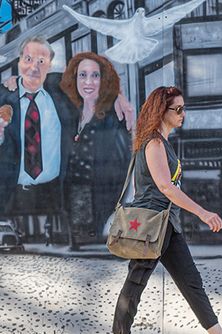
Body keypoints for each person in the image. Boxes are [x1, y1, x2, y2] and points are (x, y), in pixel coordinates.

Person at [107, 86, 222, 334]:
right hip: (150, 227)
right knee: (135, 282)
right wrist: (202, 212)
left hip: (166, 225)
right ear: (162, 111)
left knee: (191, 282)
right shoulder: (153, 143)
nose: (183, 114)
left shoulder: (162, 142)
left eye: (183, 108)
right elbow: (165, 186)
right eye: (178, 109)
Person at [0, 36, 134, 241]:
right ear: (19, 61)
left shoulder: (59, 90)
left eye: (41, 61)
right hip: (13, 194)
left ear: (50, 66)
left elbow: (94, 82)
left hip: (56, 192)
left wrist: (119, 95)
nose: (34, 67)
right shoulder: (4, 95)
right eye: (28, 59)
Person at [59, 52, 130, 249]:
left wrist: (118, 96)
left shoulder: (113, 115)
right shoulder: (71, 111)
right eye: (82, 75)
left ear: (104, 80)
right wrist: (15, 79)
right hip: (74, 192)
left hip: (102, 193)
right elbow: (45, 80)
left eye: (95, 75)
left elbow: (123, 159)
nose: (88, 82)